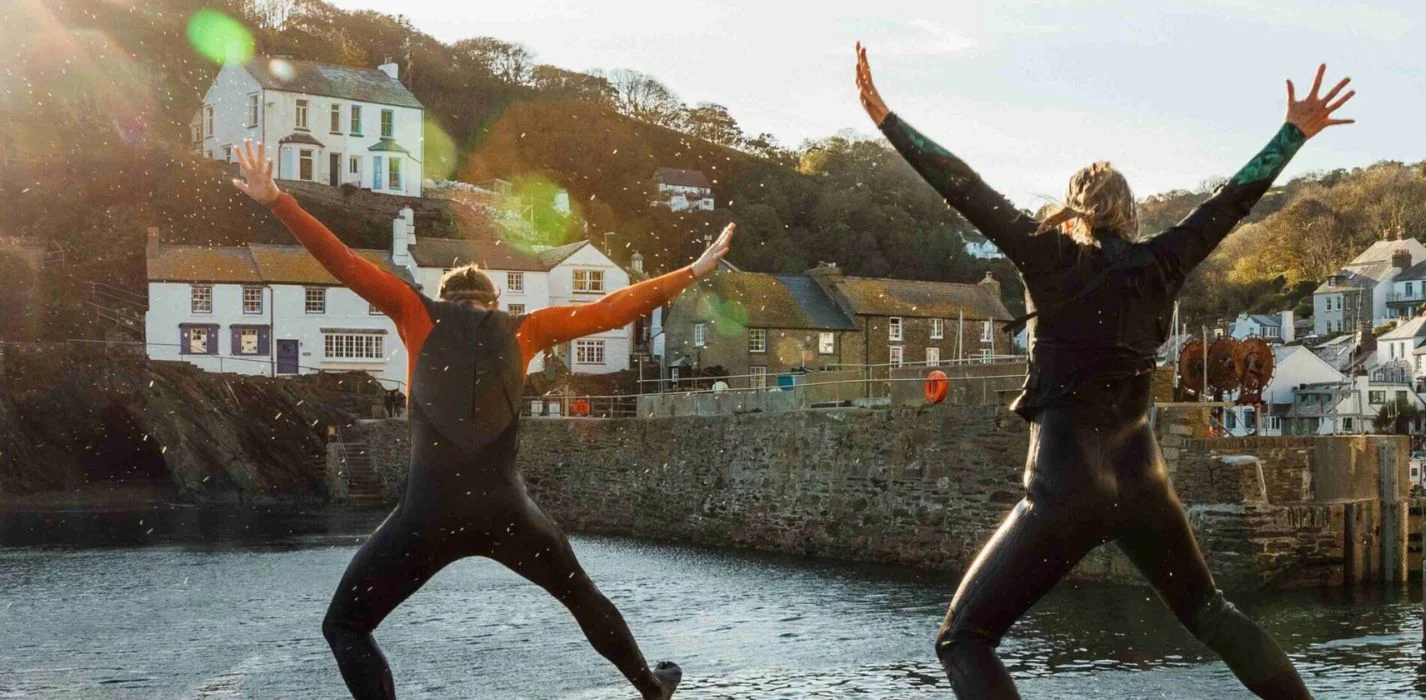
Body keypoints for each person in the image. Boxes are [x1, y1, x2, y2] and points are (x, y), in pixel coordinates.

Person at [855, 44, 1353, 699]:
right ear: (1132, 212)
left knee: (964, 639)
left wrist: (888, 120)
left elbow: (965, 186)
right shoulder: (1162, 263)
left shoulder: (1046, 255)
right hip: (1145, 482)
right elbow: (1231, 202)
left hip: (1064, 486)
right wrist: (1291, 134)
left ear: (1074, 210)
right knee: (1210, 612)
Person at [228, 140, 732, 700]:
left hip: (427, 515)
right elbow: (611, 311)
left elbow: (343, 262)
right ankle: (650, 686)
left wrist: (276, 200)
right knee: (581, 597)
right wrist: (692, 270)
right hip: (507, 513)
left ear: (446, 296)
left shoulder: (414, 311)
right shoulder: (526, 329)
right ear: (493, 302)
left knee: (345, 626)